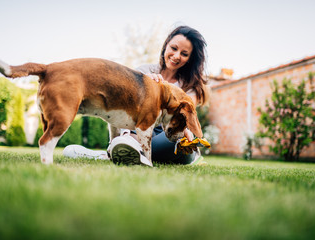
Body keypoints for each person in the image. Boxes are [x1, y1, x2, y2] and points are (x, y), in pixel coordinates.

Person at [63, 25, 208, 166]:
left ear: (190, 58)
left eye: (184, 54)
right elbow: (126, 107)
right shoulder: (143, 71)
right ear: (166, 46)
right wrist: (145, 85)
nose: (176, 56)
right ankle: (126, 147)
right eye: (174, 48)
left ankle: (120, 152)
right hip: (136, 131)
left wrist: (159, 90)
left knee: (177, 140)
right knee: (132, 136)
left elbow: (182, 120)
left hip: (167, 138)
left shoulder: (192, 86)